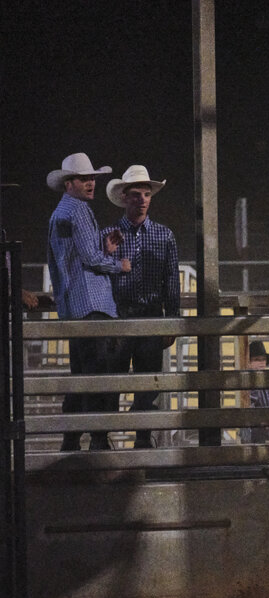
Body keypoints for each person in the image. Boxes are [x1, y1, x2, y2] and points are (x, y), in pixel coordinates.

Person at [47, 153, 130, 451]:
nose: (91, 183)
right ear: (70, 183)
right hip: (94, 304)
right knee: (100, 374)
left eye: (92, 178)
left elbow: (70, 260)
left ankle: (71, 439)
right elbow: (91, 259)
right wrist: (116, 264)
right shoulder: (79, 211)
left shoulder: (61, 212)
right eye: (85, 179)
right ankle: (98, 439)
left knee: (80, 376)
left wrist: (101, 248)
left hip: (74, 306)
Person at [103, 165, 179, 449]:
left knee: (147, 386)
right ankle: (104, 436)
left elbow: (171, 280)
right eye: (137, 194)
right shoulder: (109, 235)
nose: (143, 199)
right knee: (113, 383)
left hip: (149, 316)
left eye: (147, 194)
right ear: (125, 197)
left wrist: (171, 319)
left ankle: (142, 439)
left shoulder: (164, 235)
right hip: (119, 317)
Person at [239, 340, 269, 443]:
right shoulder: (250, 380)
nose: (261, 363)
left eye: (263, 359)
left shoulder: (264, 382)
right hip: (254, 430)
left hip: (262, 430)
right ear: (249, 362)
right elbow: (249, 404)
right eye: (256, 359)